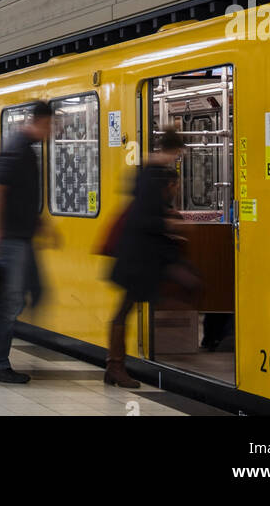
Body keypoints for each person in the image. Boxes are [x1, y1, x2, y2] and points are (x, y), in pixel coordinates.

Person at [104, 127, 199, 389]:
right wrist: (172, 224)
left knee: (128, 307)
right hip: (138, 256)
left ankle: (116, 365)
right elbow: (143, 218)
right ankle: (116, 366)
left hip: (141, 254)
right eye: (178, 153)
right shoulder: (150, 175)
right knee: (125, 309)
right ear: (175, 151)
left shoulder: (147, 171)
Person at [0, 101, 53, 384]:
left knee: (32, 293)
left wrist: (40, 224)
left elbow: (21, 197)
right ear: (42, 121)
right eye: (50, 126)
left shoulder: (26, 150)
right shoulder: (17, 149)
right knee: (9, 303)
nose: (51, 132)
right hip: (11, 241)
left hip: (22, 238)